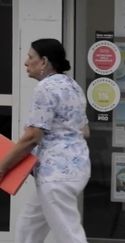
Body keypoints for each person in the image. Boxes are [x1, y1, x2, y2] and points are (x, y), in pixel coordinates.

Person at [0, 38, 90, 243]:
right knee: (28, 227)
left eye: (30, 57)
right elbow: (85, 130)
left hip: (57, 174)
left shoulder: (45, 88)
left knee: (70, 235)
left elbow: (33, 137)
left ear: (44, 62)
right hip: (74, 167)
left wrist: (2, 166)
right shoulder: (72, 85)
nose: (25, 62)